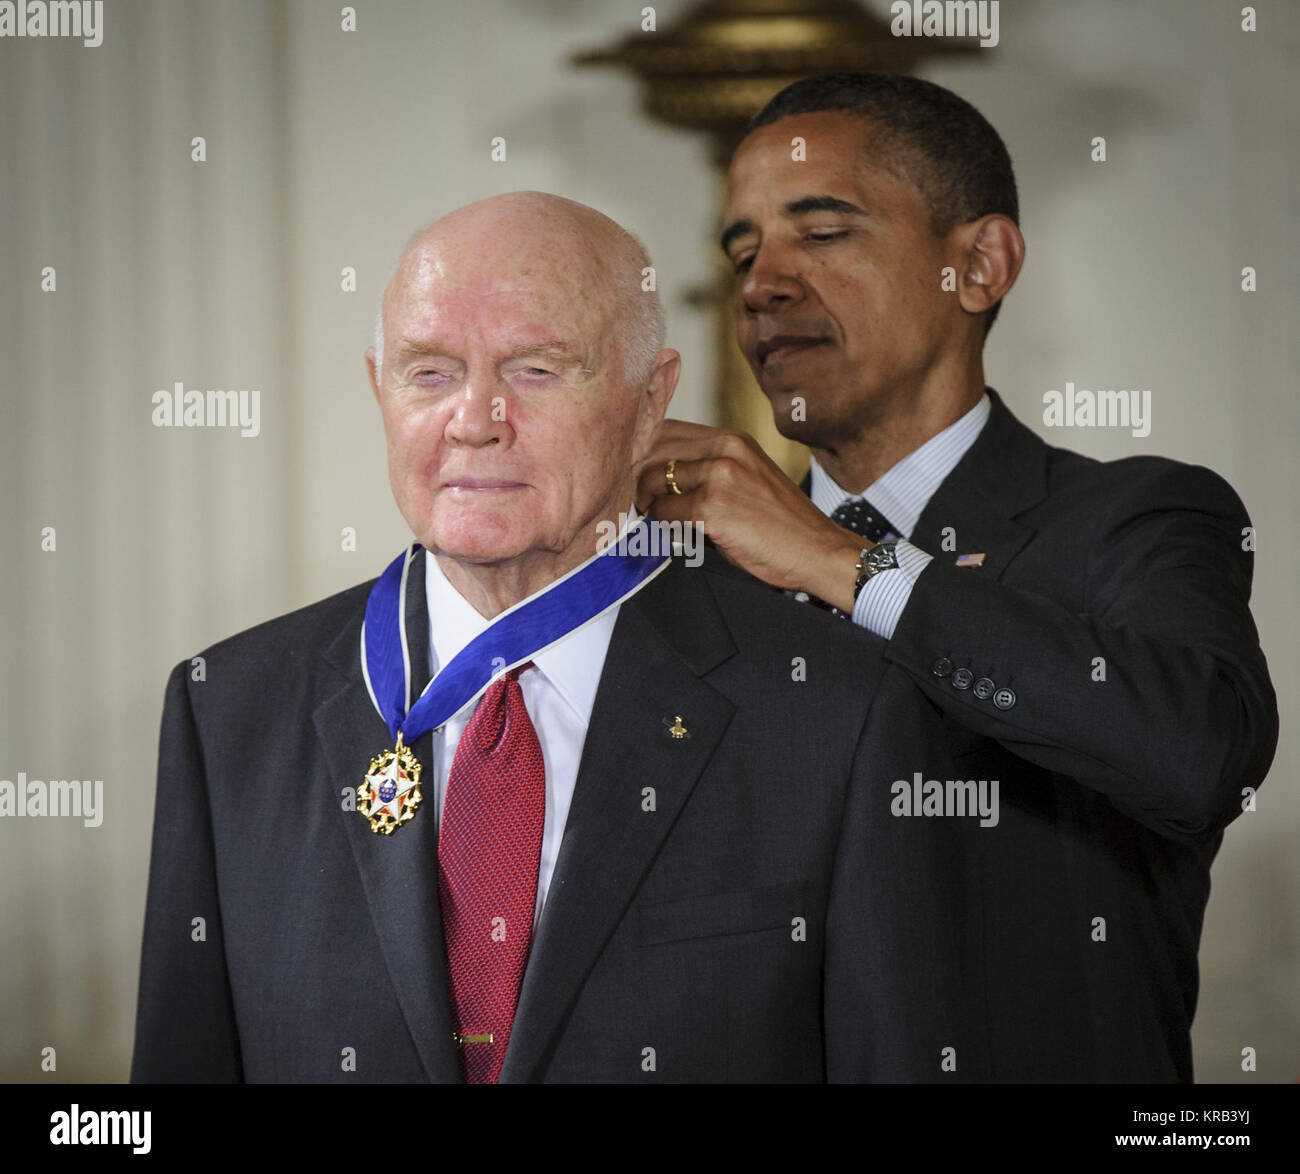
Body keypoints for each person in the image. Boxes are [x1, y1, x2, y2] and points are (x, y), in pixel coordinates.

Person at [130, 190, 974, 1084]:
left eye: (535, 369)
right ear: (377, 387)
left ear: (650, 401)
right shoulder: (227, 708)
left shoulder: (836, 706)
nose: (476, 417)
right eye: (429, 372)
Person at [637, 74, 1278, 1082]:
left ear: (978, 265)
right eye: (743, 250)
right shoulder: (675, 573)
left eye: (822, 232)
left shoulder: (1133, 518)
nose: (761, 285)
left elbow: (1197, 754)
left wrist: (838, 558)